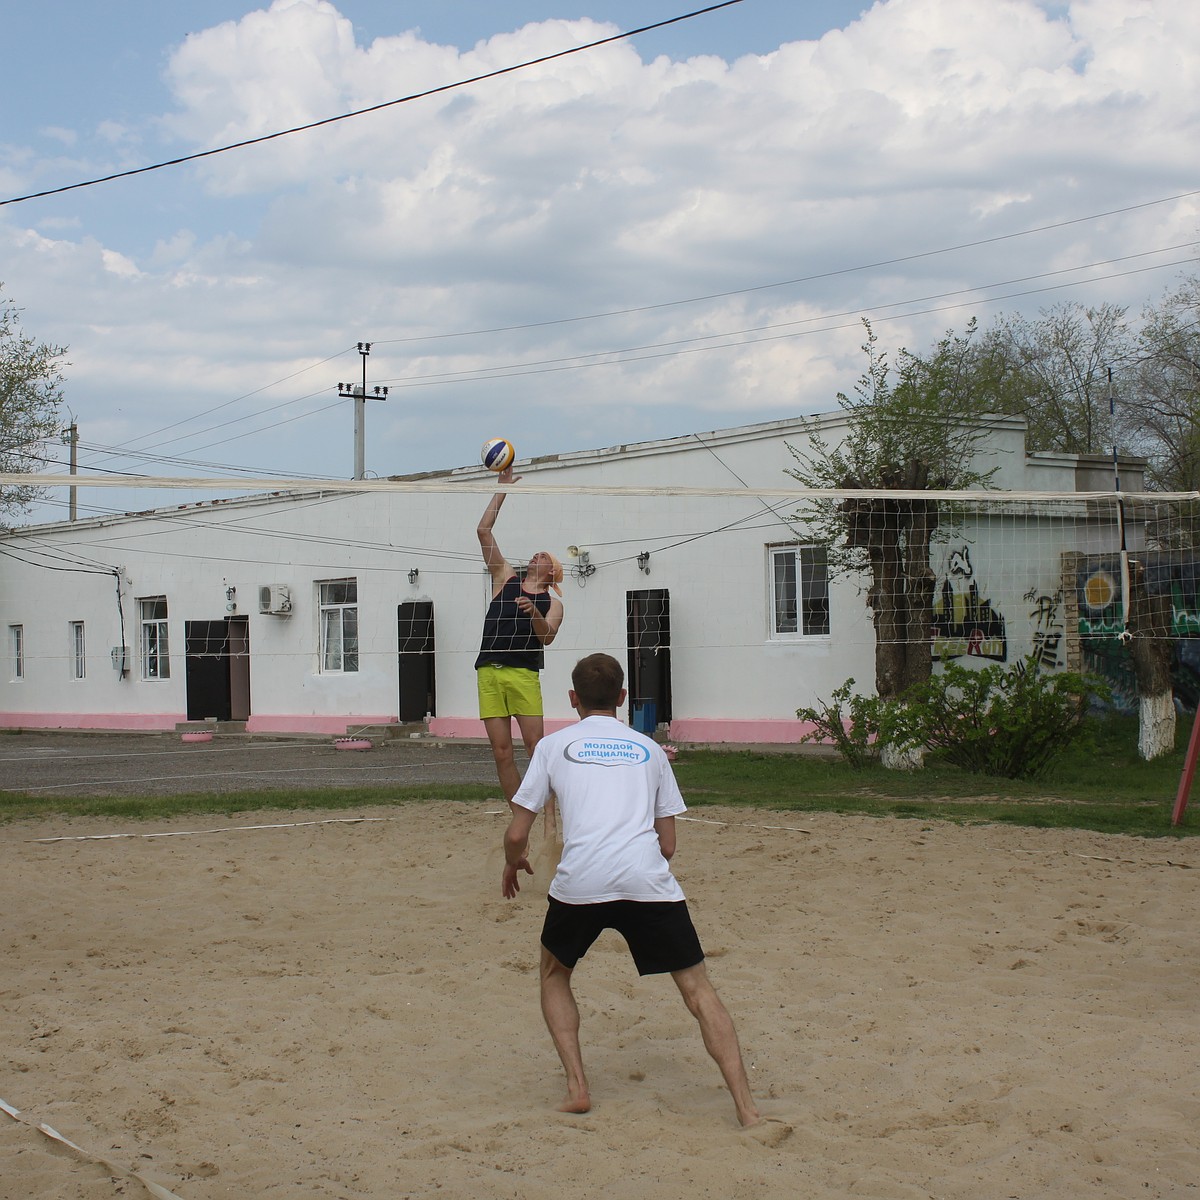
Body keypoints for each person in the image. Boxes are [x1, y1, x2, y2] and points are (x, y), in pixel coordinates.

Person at [501, 652, 761, 1128]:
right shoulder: (649, 749)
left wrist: (512, 860)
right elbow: (668, 844)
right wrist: (637, 873)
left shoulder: (553, 746)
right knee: (699, 991)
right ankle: (747, 1109)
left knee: (554, 974)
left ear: (573, 699)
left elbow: (519, 833)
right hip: (646, 878)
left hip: (581, 881)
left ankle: (578, 1088)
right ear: (622, 698)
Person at [476, 464, 565, 818]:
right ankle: (520, 817)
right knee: (501, 752)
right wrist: (502, 489)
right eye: (536, 553)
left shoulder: (553, 603)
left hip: (523, 675)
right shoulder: (505, 578)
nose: (536, 556)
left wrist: (532, 612)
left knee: (536, 749)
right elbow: (483, 530)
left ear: (552, 572)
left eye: (544, 556)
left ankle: (549, 820)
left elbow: (548, 637)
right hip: (489, 672)